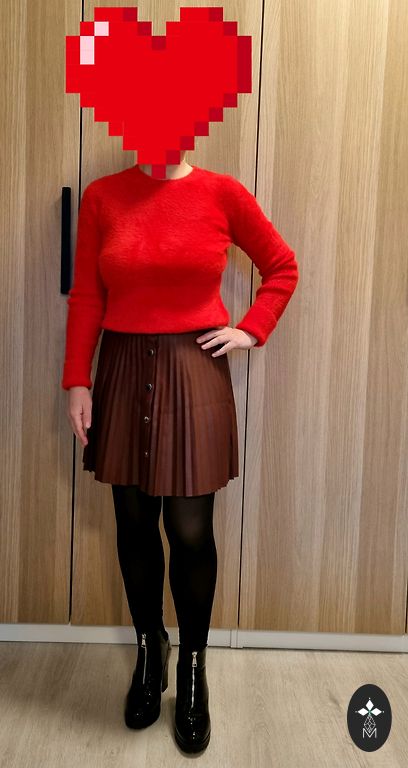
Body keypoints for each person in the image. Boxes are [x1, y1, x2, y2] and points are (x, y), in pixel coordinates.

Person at [61, 150, 299, 753]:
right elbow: (87, 294)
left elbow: (282, 266)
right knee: (133, 524)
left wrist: (251, 329)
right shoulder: (103, 197)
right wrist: (77, 381)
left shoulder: (223, 193)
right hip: (121, 370)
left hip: (194, 373)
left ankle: (193, 664)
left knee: (190, 532)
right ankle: (151, 648)